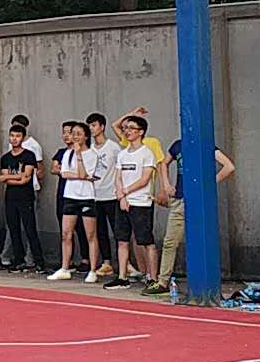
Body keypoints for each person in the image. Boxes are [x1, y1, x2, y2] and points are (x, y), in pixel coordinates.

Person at [146, 138, 234, 295]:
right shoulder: (178, 145)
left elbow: (229, 167)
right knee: (170, 242)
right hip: (179, 199)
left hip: (197, 201)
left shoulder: (206, 143)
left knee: (197, 242)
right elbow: (164, 164)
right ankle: (163, 281)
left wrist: (208, 183)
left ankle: (198, 282)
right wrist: (166, 184)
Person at [108, 116, 160, 289]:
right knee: (122, 240)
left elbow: (144, 179)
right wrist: (121, 197)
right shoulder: (122, 154)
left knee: (146, 241)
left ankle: (153, 278)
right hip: (123, 202)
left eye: (131, 128)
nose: (127, 131)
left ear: (141, 132)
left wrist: (125, 191)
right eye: (126, 128)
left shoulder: (147, 153)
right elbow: (118, 177)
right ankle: (122, 277)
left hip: (141, 203)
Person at [47, 121, 101, 281]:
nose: (75, 137)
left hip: (86, 197)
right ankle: (65, 268)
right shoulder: (66, 153)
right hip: (70, 196)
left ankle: (93, 270)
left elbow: (85, 173)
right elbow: (64, 173)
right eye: (73, 133)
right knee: (66, 234)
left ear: (86, 137)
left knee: (90, 235)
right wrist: (80, 176)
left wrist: (78, 156)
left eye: (78, 134)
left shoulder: (92, 154)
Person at [0, 125, 46, 273]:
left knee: (30, 229)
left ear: (23, 138)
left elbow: (26, 178)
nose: (14, 139)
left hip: (26, 198)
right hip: (10, 198)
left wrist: (9, 177)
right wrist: (16, 177)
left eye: (17, 136)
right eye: (12, 136)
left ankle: (39, 261)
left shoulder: (29, 155)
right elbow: (5, 179)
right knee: (13, 229)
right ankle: (19, 260)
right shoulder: (5, 158)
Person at [86, 114, 122, 276]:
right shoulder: (90, 149)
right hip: (94, 195)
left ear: (102, 126)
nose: (91, 129)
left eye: (94, 125)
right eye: (89, 126)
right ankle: (106, 262)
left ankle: (124, 263)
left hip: (112, 195)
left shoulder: (113, 147)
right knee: (100, 231)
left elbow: (120, 170)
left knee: (118, 230)